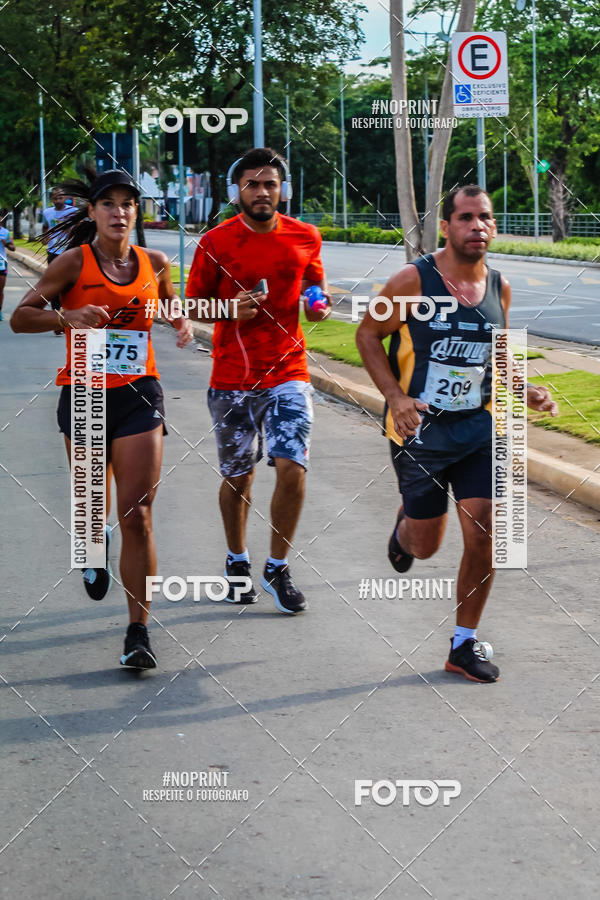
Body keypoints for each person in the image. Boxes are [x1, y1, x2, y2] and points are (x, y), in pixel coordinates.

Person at [356, 185, 558, 683]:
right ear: (446, 225)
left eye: (485, 218)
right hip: (419, 432)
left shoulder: (499, 287)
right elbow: (366, 334)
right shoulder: (413, 281)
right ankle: (407, 527)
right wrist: (397, 398)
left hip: (478, 429)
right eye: (466, 218)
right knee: (425, 547)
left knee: (485, 530)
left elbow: (500, 352)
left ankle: (463, 644)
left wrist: (524, 387)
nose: (478, 227)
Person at [11, 169, 193, 669]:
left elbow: (171, 308)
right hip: (85, 394)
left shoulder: (154, 262)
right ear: (92, 212)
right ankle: (94, 543)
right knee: (94, 509)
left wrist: (180, 323)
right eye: (108, 203)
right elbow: (20, 317)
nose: (119, 212)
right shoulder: (73, 263)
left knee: (138, 514)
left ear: (137, 211)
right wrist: (65, 317)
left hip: (139, 393)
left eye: (127, 203)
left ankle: (138, 632)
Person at [185, 147, 330, 614]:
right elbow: (190, 307)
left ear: (281, 189)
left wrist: (316, 302)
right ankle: (236, 560)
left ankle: (278, 566)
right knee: (238, 478)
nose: (262, 192)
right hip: (231, 378)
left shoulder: (306, 236)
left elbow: (314, 287)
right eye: (252, 184)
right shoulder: (215, 242)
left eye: (270, 184)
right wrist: (229, 308)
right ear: (237, 192)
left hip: (289, 372)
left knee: (293, 467)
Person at [0, 214, 16, 321]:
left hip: (1, 262)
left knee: (0, 288)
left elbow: (13, 248)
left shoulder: (5, 232)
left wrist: (6, 244)